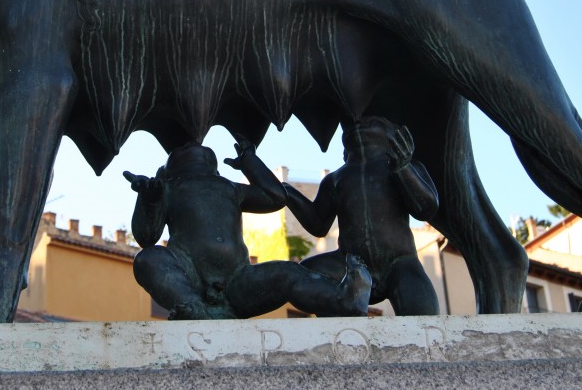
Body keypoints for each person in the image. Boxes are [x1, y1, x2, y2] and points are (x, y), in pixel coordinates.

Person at [125, 141, 370, 319]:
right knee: (148, 259)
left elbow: (276, 197)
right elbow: (147, 238)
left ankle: (342, 299)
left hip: (238, 281)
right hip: (191, 280)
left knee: (288, 273)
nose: (193, 147)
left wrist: (250, 162)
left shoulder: (231, 188)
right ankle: (192, 305)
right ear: (169, 173)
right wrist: (149, 200)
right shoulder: (167, 189)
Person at [284, 116, 441, 316]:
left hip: (400, 262)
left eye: (372, 121)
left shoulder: (406, 166)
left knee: (423, 313)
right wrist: (288, 193)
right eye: (351, 125)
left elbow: (426, 209)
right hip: (349, 264)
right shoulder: (335, 179)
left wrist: (404, 168)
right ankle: (345, 305)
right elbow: (318, 224)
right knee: (302, 276)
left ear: (394, 136)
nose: (358, 124)